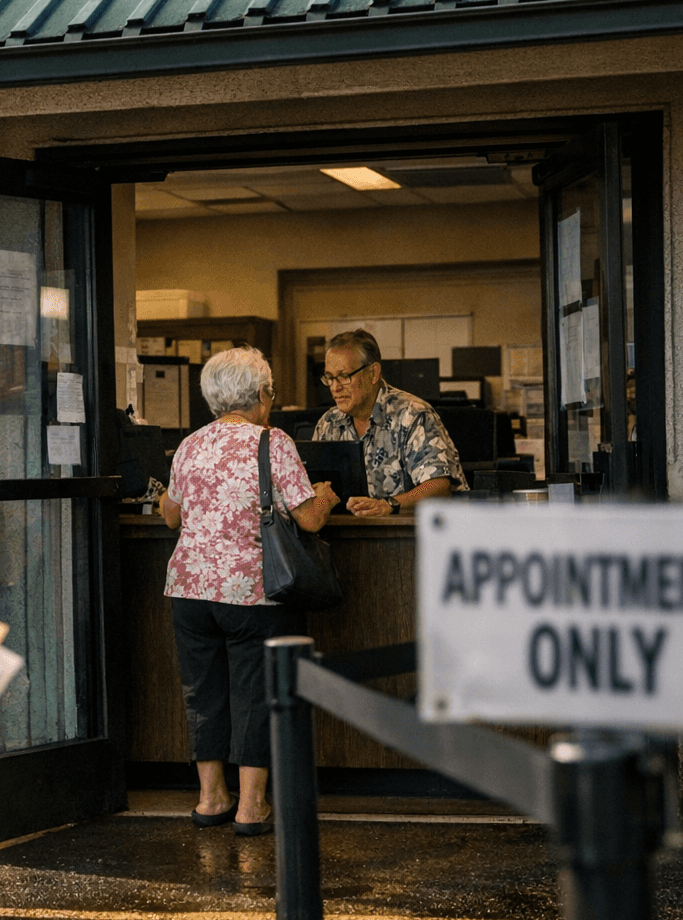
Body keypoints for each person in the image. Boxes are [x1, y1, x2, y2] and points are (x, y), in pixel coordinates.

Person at [157, 347, 339, 836]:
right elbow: (310, 518)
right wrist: (327, 493)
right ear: (262, 394)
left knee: (204, 693)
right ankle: (251, 806)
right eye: (271, 392)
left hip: (190, 591)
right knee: (254, 693)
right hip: (253, 592)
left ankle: (211, 797)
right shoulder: (271, 442)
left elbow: (171, 516)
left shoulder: (190, 444)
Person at [312, 329, 465, 517]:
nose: (335, 387)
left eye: (344, 376)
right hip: (347, 536)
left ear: (373, 373)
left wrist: (389, 505)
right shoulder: (328, 423)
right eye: (330, 378)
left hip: (409, 536)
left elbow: (439, 487)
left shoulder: (413, 414)